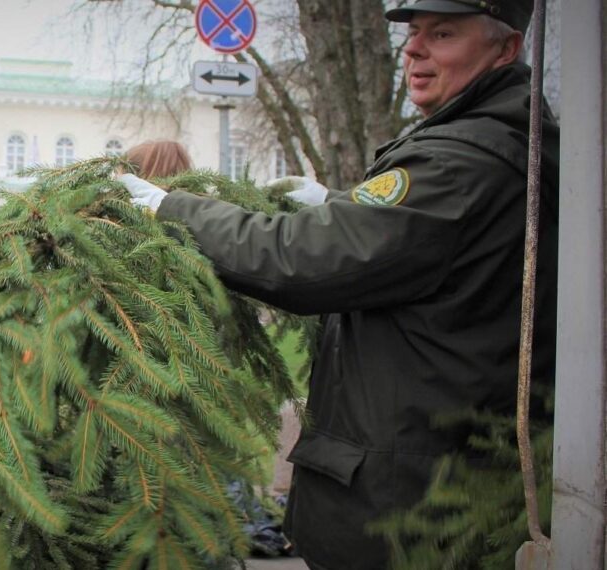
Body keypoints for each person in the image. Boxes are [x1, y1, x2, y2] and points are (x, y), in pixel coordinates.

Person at [119, 0, 557, 567]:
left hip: (411, 507)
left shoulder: (462, 160)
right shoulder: (491, 140)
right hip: (441, 481)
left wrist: (173, 209)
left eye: (443, 34)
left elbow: (302, 261)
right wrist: (335, 204)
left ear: (506, 49)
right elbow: (408, 250)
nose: (415, 50)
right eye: (414, 33)